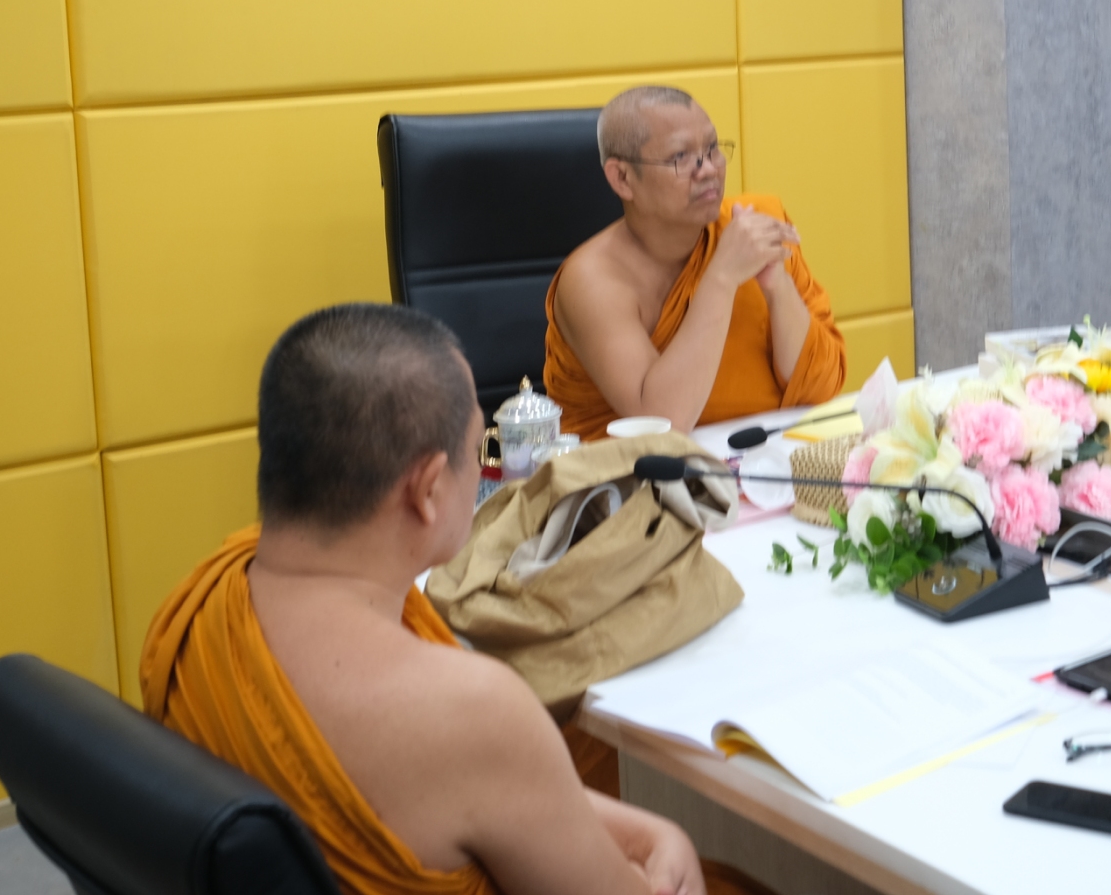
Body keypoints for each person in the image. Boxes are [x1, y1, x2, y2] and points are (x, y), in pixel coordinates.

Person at [141, 304, 707, 895]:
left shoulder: (198, 601)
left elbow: (490, 783)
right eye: (478, 448)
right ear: (429, 489)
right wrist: (669, 845)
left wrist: (648, 830)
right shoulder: (471, 710)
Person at [545, 86, 845, 438]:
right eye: (681, 156)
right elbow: (662, 423)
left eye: (713, 148)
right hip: (633, 468)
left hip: (763, 452)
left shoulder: (752, 227)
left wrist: (777, 286)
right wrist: (721, 278)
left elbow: (822, 386)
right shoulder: (591, 281)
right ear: (622, 178)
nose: (709, 170)